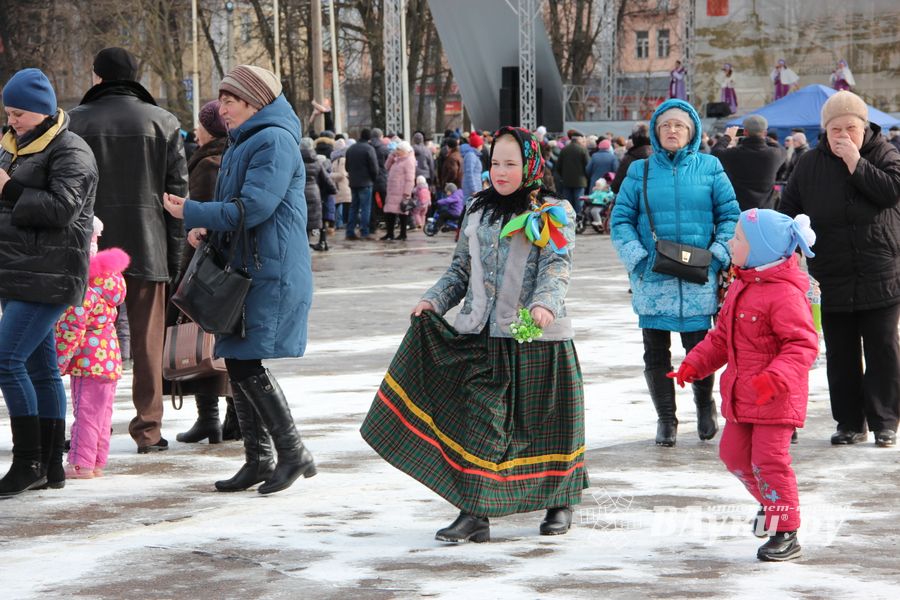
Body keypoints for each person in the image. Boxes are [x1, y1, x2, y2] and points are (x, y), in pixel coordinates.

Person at [361, 126, 588, 542]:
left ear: (530, 166)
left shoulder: (554, 211)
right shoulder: (477, 211)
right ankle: (474, 513)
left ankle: (560, 500)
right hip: (481, 335)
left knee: (545, 426)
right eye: (495, 163)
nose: (501, 172)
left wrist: (544, 305)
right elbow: (460, 270)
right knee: (480, 423)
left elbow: (557, 267)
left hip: (537, 338)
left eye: (511, 164)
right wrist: (433, 300)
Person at [162, 65, 317, 494]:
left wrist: (189, 212)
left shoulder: (272, 140)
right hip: (249, 267)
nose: (221, 108)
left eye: (229, 100)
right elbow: (236, 208)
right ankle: (259, 458)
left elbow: (253, 208)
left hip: (270, 270)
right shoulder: (246, 140)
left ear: (254, 101)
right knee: (236, 360)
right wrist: (206, 226)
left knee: (247, 362)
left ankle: (292, 452)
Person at [670, 208, 818, 561]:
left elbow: (802, 344)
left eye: (738, 239)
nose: (731, 243)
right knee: (734, 456)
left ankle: (786, 529)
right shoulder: (741, 285)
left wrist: (776, 378)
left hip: (776, 398)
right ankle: (772, 504)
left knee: (769, 461)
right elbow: (721, 338)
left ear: (762, 249)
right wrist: (694, 364)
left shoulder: (784, 294)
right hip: (742, 395)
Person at [68, 47, 188, 454]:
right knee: (148, 342)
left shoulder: (74, 122)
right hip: (147, 246)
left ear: (98, 77)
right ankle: (149, 430)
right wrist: (174, 261)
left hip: (89, 251)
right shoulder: (165, 122)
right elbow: (178, 201)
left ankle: (81, 428)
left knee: (81, 340)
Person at [610, 98, 740, 447]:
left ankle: (703, 405)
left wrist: (717, 256)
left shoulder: (710, 167)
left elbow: (730, 216)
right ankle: (666, 419)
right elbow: (620, 219)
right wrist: (637, 260)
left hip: (699, 273)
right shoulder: (641, 170)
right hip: (653, 276)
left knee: (700, 349)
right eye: (666, 124)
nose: (672, 130)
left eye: (679, 125)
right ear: (656, 130)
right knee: (655, 351)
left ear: (692, 131)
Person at [778, 90, 900, 448]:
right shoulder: (809, 163)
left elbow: (892, 191)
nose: (844, 135)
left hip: (880, 269)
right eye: (835, 129)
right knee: (841, 353)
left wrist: (856, 163)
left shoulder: (884, 152)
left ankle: (885, 420)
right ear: (824, 131)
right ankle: (849, 422)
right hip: (830, 272)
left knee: (882, 349)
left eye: (851, 127)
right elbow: (789, 208)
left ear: (865, 127)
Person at [0, 68, 98, 496]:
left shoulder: (71, 150)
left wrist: (8, 191)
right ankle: (51, 466)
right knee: (40, 369)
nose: (11, 121)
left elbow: (63, 209)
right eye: (7, 112)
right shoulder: (12, 146)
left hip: (50, 274)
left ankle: (29, 462)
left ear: (41, 111)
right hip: (19, 271)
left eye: (18, 113)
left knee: (5, 361)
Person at [169, 100, 238, 445]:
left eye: (200, 124)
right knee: (218, 341)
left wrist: (184, 271)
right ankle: (225, 418)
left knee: (202, 341)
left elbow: (200, 218)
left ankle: (213, 418)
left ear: (208, 128)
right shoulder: (228, 154)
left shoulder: (209, 162)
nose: (195, 130)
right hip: (223, 263)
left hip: (205, 265)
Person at [56, 219, 129, 478]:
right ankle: (97, 462)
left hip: (88, 360)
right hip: (109, 359)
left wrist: (59, 360)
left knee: (85, 414)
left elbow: (72, 325)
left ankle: (80, 464)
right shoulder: (110, 283)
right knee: (102, 414)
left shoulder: (83, 288)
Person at [712, 115, 786, 211]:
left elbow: (716, 152)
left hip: (740, 210)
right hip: (764, 210)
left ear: (745, 132)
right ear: (765, 133)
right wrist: (764, 138)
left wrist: (728, 137)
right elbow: (780, 148)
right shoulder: (774, 154)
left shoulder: (734, 154)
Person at [301, 137, 336, 251]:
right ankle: (322, 242)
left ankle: (304, 246)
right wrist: (333, 189)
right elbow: (326, 179)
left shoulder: (295, 160)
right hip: (314, 193)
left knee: (302, 221)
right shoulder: (316, 161)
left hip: (299, 193)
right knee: (316, 220)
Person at [344, 129, 379, 240]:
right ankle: (364, 232)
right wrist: (373, 179)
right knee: (365, 208)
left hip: (353, 182)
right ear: (369, 138)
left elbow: (347, 167)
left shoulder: (351, 149)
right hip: (366, 182)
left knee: (353, 207)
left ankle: (350, 231)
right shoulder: (369, 149)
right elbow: (374, 167)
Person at [382, 141, 416, 241]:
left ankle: (403, 234)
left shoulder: (409, 161)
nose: (396, 151)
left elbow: (410, 179)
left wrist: (407, 192)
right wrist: (391, 156)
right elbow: (386, 167)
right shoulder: (397, 159)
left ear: (404, 151)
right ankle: (389, 233)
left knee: (402, 213)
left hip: (401, 192)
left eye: (398, 150)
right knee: (389, 212)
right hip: (392, 191)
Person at [555, 131, 590, 215]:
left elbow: (558, 166)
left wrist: (563, 176)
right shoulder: (582, 149)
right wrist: (586, 177)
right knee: (578, 202)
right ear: (579, 139)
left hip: (566, 181)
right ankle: (578, 218)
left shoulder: (564, 149)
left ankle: (569, 218)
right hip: (580, 181)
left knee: (568, 202)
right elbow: (587, 166)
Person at [612, 123, 652, 195]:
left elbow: (616, 186)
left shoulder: (629, 158)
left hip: (633, 201)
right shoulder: (660, 156)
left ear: (634, 138)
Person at [330, 138, 352, 229]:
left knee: (344, 208)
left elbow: (342, 174)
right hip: (340, 188)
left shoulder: (341, 160)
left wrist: (329, 175)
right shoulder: (337, 159)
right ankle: (341, 225)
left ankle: (344, 226)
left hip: (342, 188)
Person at [461, 132, 484, 200]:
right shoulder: (471, 155)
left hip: (474, 188)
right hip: (471, 190)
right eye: (481, 144)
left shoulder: (474, 155)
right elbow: (469, 173)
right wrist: (473, 189)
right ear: (477, 145)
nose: (482, 146)